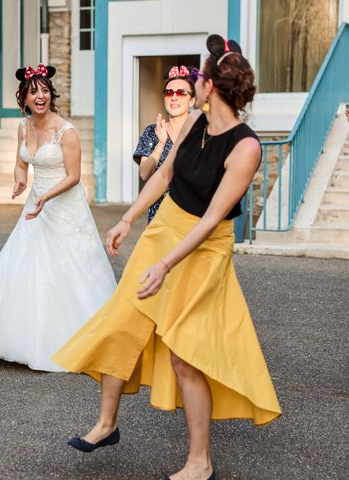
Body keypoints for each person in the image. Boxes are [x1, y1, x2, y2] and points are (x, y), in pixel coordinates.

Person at [53, 36, 282, 480]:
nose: (193, 83)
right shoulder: (195, 121)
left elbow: (213, 218)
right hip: (166, 230)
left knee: (185, 353)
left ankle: (200, 462)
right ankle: (106, 424)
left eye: (198, 77)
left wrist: (166, 264)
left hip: (203, 246)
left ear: (211, 86)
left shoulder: (246, 147)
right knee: (122, 319)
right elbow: (166, 173)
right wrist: (128, 220)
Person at [0, 64, 117, 372]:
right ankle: (15, 338)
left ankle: (77, 338)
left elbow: (74, 177)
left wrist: (45, 197)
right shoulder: (22, 127)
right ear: (23, 98)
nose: (40, 96)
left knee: (70, 268)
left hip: (64, 206)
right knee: (21, 265)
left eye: (45, 91)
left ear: (51, 95)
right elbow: (21, 163)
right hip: (36, 205)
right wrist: (19, 180)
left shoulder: (67, 132)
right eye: (34, 92)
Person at [133, 65, 195, 223]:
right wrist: (160, 145)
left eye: (181, 93)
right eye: (169, 93)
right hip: (160, 217)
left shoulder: (201, 132)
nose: (174, 97)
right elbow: (144, 174)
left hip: (192, 215)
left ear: (192, 100)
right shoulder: (152, 131)